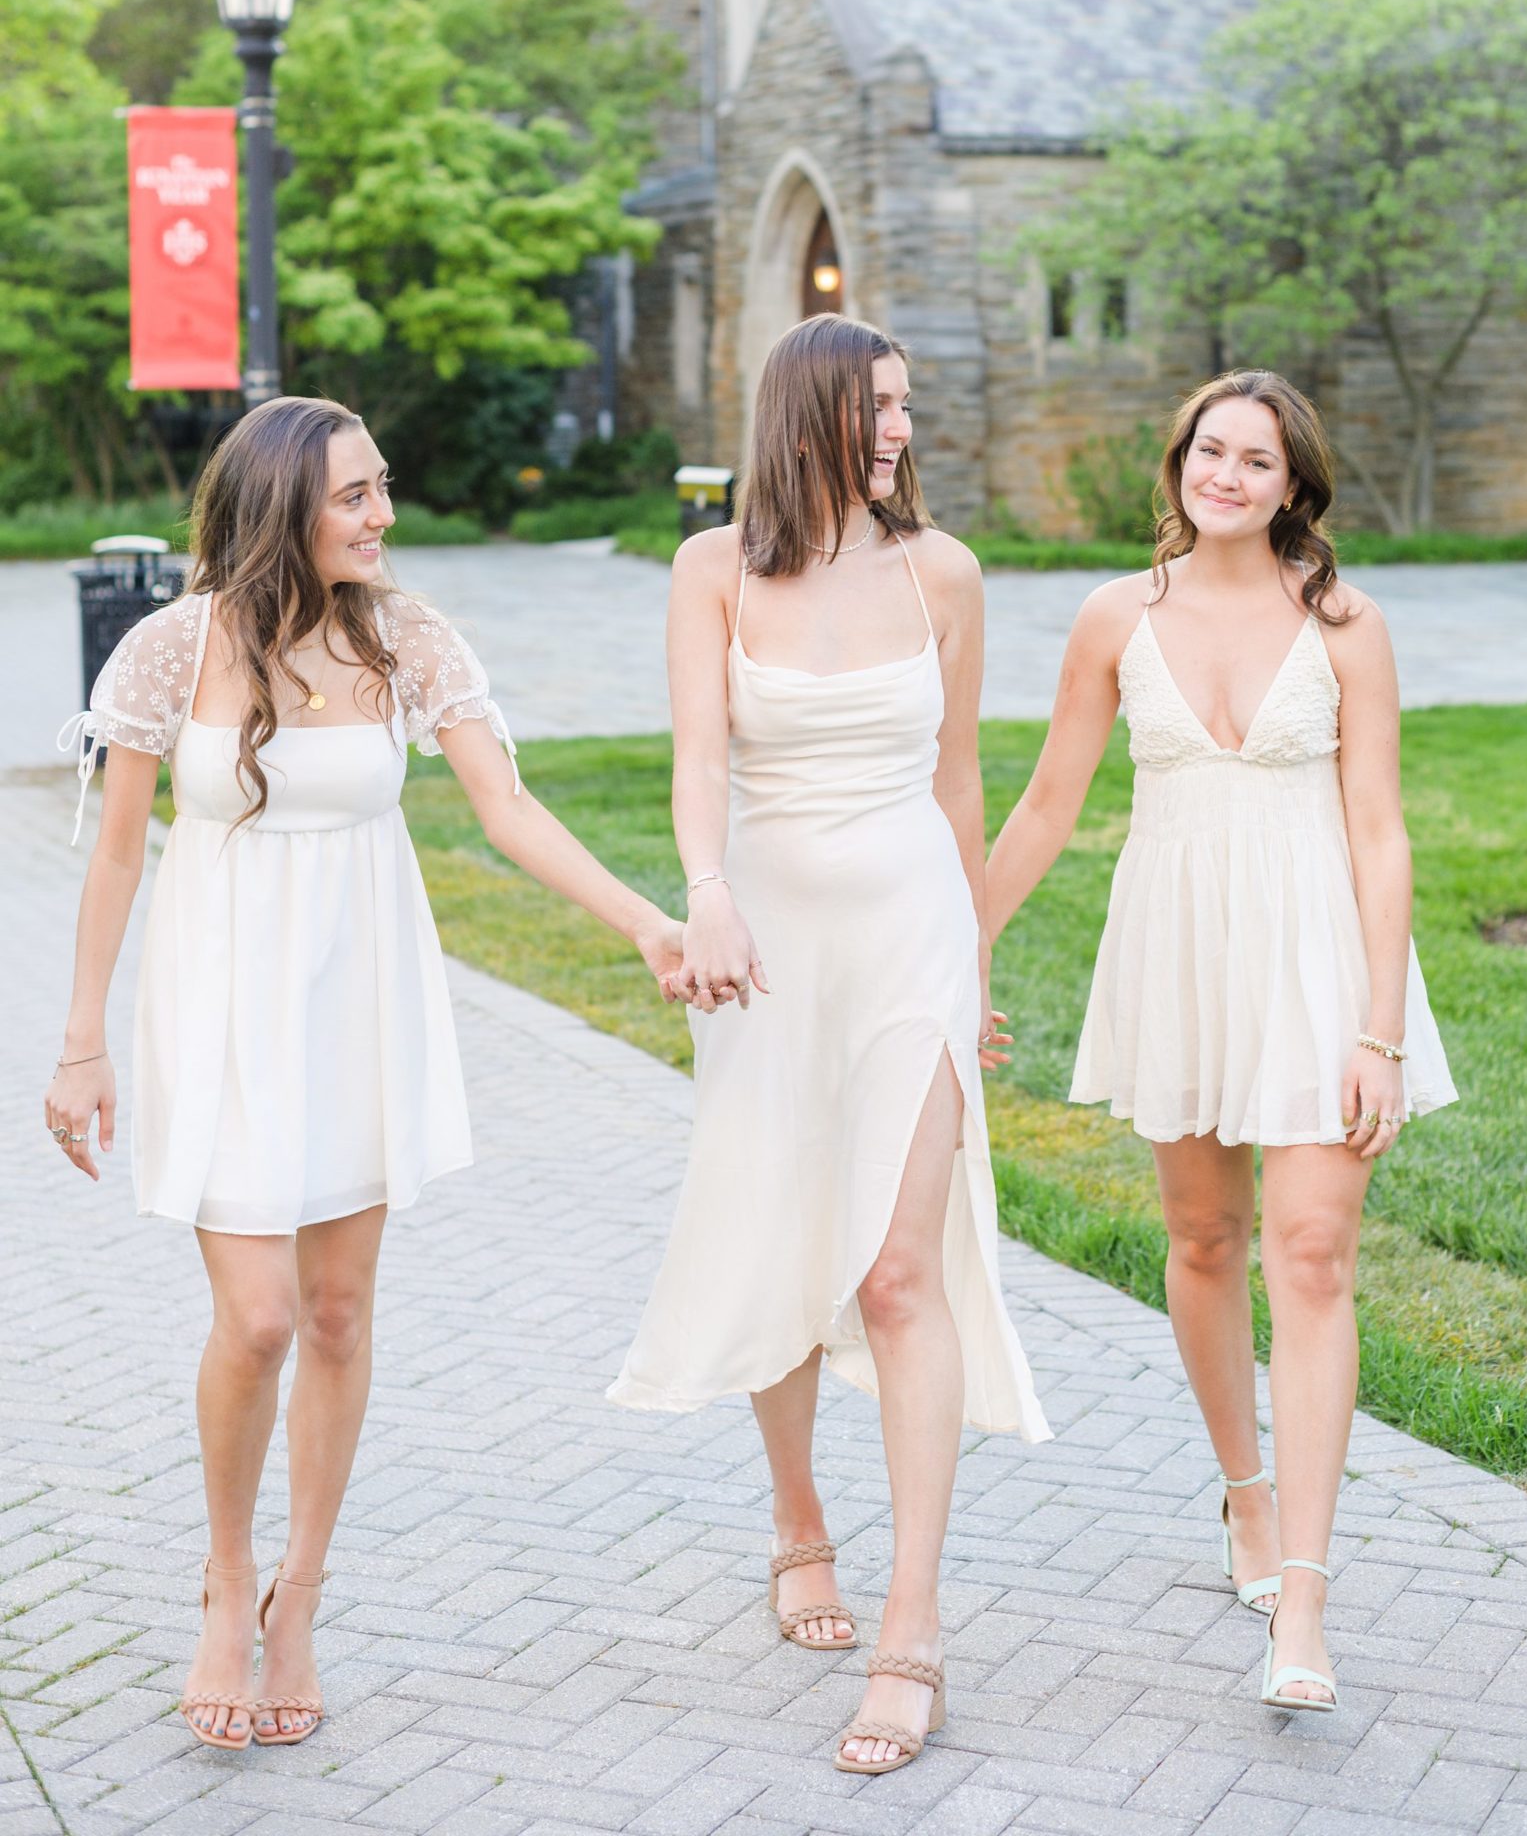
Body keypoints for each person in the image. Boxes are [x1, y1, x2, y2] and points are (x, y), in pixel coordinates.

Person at [45, 396, 685, 1754]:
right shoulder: (174, 648)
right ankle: (225, 1580)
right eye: (355, 497)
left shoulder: (405, 640)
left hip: (358, 1005)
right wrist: (81, 1038)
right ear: (282, 505)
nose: (384, 515)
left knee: (336, 1314)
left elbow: (508, 810)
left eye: (382, 488)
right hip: (219, 1007)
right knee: (262, 1318)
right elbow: (113, 853)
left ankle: (299, 1604)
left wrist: (649, 923)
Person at [610, 313, 1049, 1778]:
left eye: (907, 409)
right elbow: (697, 766)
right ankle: (800, 1523)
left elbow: (960, 777)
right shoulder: (711, 572)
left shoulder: (946, 572)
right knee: (787, 1235)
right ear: (806, 414)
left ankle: (910, 1626)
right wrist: (710, 896)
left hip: (911, 936)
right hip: (770, 940)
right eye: (875, 409)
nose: (898, 432)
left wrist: (974, 965)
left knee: (895, 1263)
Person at [986, 370, 1455, 1714]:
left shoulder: (1347, 624)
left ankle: (1303, 1593)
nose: (1228, 474)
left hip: (1320, 961)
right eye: (1209, 450)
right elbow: (1046, 806)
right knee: (1202, 1239)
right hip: (1178, 951)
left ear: (1295, 484)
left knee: (1311, 1255)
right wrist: (955, 945)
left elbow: (1381, 831)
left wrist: (1379, 1028)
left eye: (1256, 458)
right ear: (1181, 464)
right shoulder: (1113, 617)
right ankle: (1243, 1496)